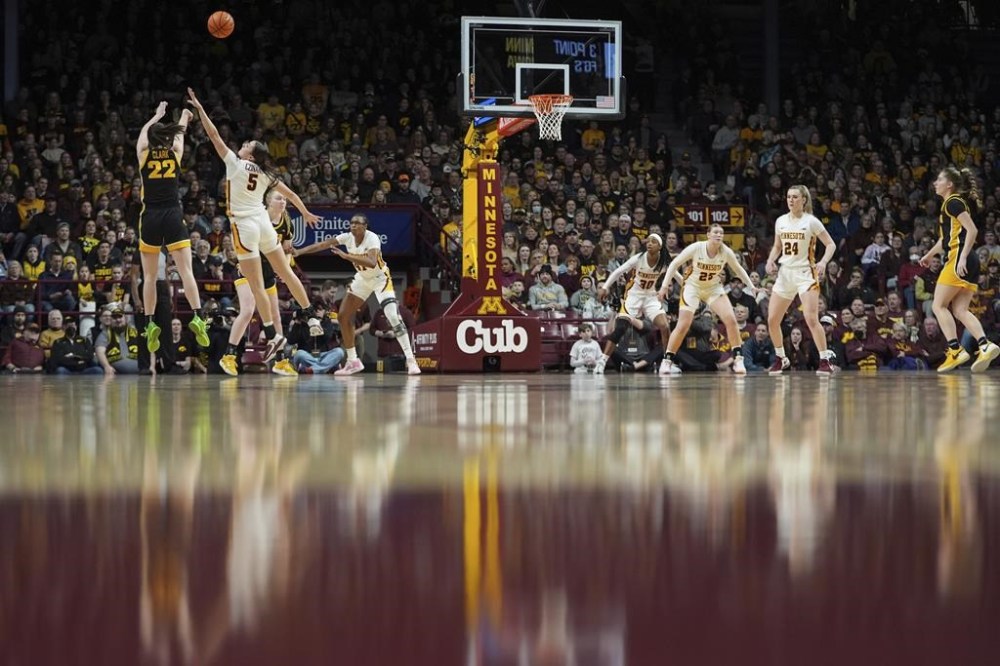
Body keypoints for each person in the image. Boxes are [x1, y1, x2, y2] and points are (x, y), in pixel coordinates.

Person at [187, 88, 320, 367]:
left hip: (245, 225)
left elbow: (214, 135)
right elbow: (293, 195)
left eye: (247, 143)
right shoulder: (266, 173)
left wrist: (200, 109)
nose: (243, 143)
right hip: (263, 223)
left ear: (250, 153)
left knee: (257, 285)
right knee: (285, 270)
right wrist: (306, 212)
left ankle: (273, 335)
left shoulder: (235, 165)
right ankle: (310, 314)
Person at [292, 212, 420, 375]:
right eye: (351, 222)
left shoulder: (372, 238)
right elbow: (322, 245)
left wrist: (347, 256)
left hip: (380, 278)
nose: (353, 225)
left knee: (393, 316)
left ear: (365, 226)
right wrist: (300, 252)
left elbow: (372, 262)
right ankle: (353, 361)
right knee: (343, 316)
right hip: (363, 279)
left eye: (357, 223)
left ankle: (411, 360)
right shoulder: (347, 237)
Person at [134, 101, 209, 353]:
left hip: (151, 217)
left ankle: (150, 322)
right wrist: (185, 117)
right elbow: (179, 139)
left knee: (151, 277)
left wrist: (155, 116)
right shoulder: (175, 154)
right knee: (186, 271)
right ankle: (198, 316)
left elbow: (143, 136)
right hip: (173, 215)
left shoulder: (143, 155)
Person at [918, 166, 1000, 372]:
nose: (935, 183)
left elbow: (972, 230)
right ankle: (984, 344)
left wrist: (961, 257)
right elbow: (946, 238)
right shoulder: (950, 204)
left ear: (949, 185)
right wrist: (929, 255)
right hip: (967, 260)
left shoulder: (953, 202)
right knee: (960, 310)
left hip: (958, 258)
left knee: (938, 306)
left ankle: (955, 350)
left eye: (939, 179)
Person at [217, 189, 299, 376]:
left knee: (275, 316)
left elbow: (287, 250)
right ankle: (228, 356)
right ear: (268, 202)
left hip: (268, 272)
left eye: (285, 198)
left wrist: (283, 268)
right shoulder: (258, 218)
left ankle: (281, 361)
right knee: (247, 310)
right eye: (279, 198)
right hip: (248, 268)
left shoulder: (286, 221)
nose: (283, 201)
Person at [657, 223, 757, 375]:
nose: (719, 235)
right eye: (716, 232)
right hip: (692, 287)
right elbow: (675, 264)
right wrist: (664, 286)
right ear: (708, 234)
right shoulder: (697, 247)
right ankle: (667, 361)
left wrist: (751, 286)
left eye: (721, 233)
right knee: (683, 325)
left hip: (713, 288)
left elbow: (738, 269)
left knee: (730, 319)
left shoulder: (725, 251)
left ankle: (738, 359)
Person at [764, 185, 838, 375]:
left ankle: (824, 361)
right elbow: (777, 246)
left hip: (806, 273)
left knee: (811, 318)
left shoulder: (811, 221)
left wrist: (822, 262)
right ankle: (781, 358)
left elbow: (830, 244)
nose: (791, 200)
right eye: (788, 197)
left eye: (795, 197)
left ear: (804, 200)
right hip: (785, 273)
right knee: (772, 320)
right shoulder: (780, 221)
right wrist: (771, 260)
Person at [593, 233, 672, 375]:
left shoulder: (664, 262)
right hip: (633, 295)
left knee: (665, 326)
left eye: (653, 241)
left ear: (660, 247)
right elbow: (618, 271)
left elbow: (677, 277)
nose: (649, 243)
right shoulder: (639, 258)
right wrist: (605, 287)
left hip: (650, 297)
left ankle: (667, 362)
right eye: (648, 241)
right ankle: (602, 361)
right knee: (621, 328)